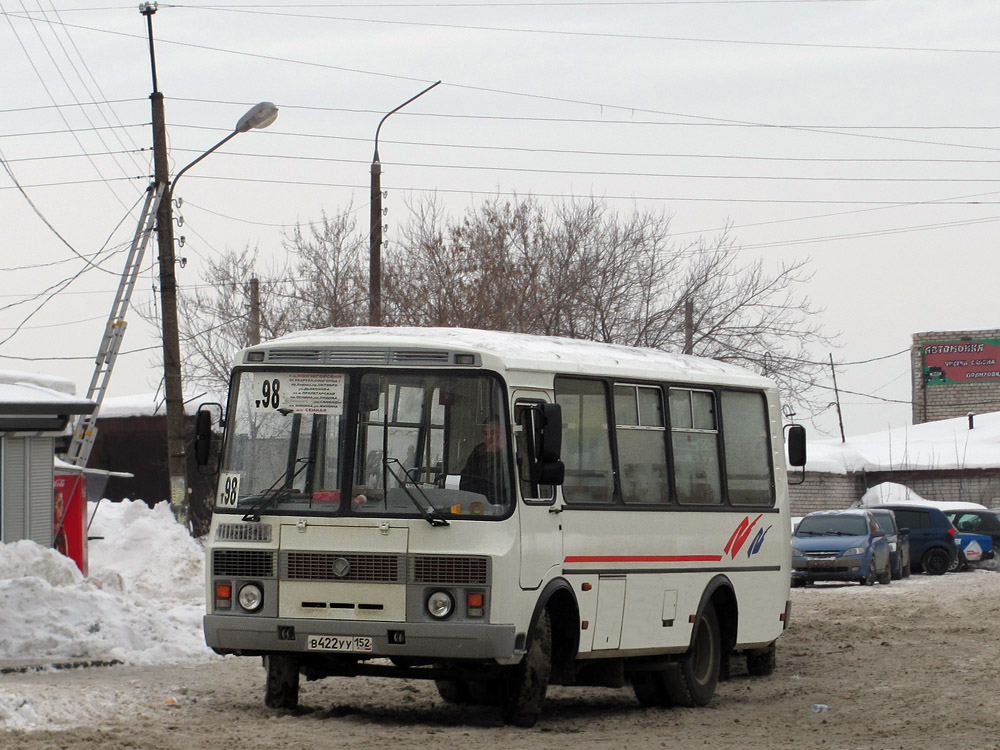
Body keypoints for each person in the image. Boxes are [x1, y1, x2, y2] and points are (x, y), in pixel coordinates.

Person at [460, 417, 504, 503]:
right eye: (485, 433)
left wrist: (491, 454)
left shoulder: (509, 453)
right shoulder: (479, 451)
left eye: (492, 432)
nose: (488, 437)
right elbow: (465, 480)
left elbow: (495, 483)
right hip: (478, 501)